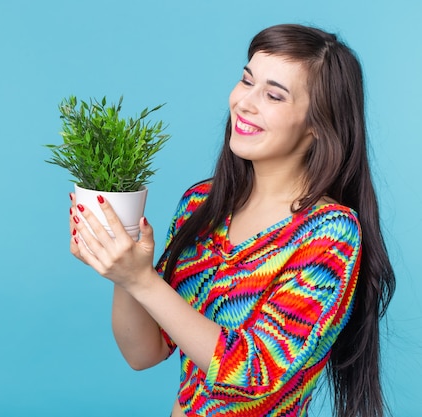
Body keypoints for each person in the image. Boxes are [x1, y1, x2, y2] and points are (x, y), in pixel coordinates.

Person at [68, 23, 395, 417]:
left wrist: (143, 279)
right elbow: (144, 353)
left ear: (317, 124)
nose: (245, 103)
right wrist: (123, 271)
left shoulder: (330, 234)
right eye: (246, 81)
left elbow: (256, 373)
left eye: (273, 95)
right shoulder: (201, 205)